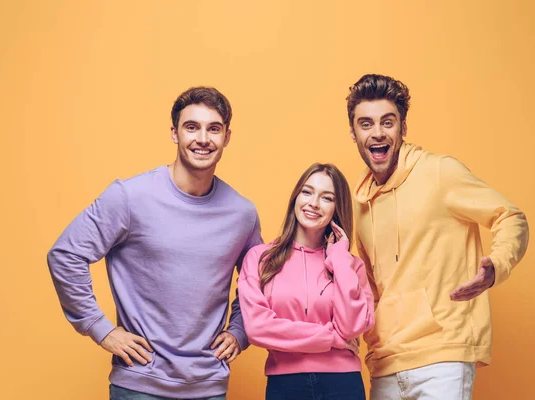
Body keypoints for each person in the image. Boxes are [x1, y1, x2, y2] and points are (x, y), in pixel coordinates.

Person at [47, 87, 262, 400]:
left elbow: (258, 281)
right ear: (174, 134)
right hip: (140, 384)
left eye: (213, 128)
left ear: (227, 137)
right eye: (192, 127)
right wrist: (100, 328)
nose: (203, 138)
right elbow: (65, 255)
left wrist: (240, 332)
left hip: (209, 386)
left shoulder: (242, 213)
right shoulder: (129, 197)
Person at [346, 74, 529, 399]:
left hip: (442, 356)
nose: (377, 132)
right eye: (366, 124)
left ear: (403, 128)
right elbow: (372, 289)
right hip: (385, 362)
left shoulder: (440, 172)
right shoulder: (359, 203)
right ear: (354, 133)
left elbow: (511, 217)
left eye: (387, 122)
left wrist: (496, 267)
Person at [238, 163, 375, 400]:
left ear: (336, 208)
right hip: (285, 385)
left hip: (343, 384)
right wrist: (333, 338)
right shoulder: (260, 259)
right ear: (295, 198)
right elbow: (258, 328)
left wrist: (339, 258)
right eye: (307, 192)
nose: (313, 203)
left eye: (327, 198)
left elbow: (353, 327)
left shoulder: (351, 266)